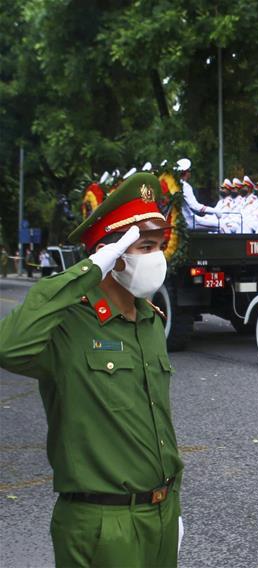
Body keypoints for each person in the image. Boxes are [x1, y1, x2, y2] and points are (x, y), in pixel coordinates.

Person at [0, 173, 183, 567]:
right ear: (111, 255)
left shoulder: (149, 321)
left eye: (159, 245)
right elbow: (8, 347)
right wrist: (89, 270)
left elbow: (159, 424)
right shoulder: (68, 323)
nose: (157, 257)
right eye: (145, 247)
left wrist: (171, 501)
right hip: (102, 523)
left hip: (161, 513)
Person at [176, 158, 221, 232]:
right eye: (189, 171)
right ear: (187, 172)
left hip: (183, 220)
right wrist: (215, 211)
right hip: (189, 221)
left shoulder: (175, 185)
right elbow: (195, 206)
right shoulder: (185, 186)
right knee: (222, 226)